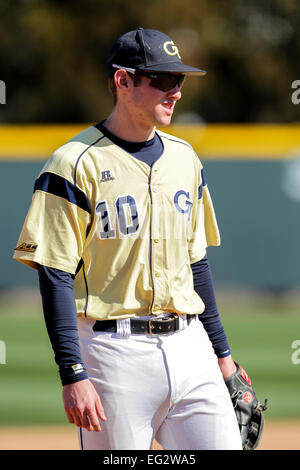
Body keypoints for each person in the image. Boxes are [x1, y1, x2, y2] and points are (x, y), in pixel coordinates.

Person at [14, 27, 242, 450]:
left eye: (180, 81)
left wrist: (223, 356)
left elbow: (196, 264)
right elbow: (55, 274)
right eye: (162, 80)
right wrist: (73, 373)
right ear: (123, 81)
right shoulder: (72, 163)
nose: (175, 92)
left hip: (191, 347)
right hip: (113, 353)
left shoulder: (185, 159)